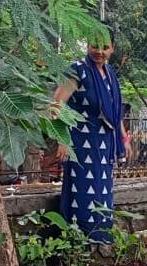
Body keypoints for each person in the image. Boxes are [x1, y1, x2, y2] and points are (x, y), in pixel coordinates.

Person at [53, 28, 132, 244]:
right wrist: (62, 139)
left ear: (112, 48)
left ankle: (100, 244)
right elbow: (57, 104)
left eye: (105, 47)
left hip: (105, 148)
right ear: (87, 45)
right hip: (81, 146)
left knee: (102, 196)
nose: (99, 52)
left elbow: (114, 112)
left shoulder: (110, 73)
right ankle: (77, 245)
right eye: (94, 46)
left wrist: (123, 138)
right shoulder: (78, 70)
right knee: (82, 196)